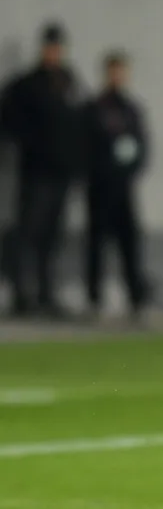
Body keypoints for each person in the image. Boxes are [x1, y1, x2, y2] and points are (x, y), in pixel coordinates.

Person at [0, 23, 83, 317]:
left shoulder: (67, 82)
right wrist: (30, 145)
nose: (53, 53)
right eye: (50, 47)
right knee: (28, 233)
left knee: (52, 237)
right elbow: (9, 121)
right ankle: (22, 295)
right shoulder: (28, 84)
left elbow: (77, 124)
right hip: (35, 173)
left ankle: (46, 294)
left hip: (61, 174)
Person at [84, 50, 149, 318]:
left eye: (120, 72)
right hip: (99, 187)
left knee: (129, 242)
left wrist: (129, 170)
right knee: (96, 243)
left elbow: (142, 147)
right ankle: (94, 297)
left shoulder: (131, 110)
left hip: (123, 188)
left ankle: (136, 297)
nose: (117, 77)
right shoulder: (94, 109)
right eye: (113, 72)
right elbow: (85, 147)